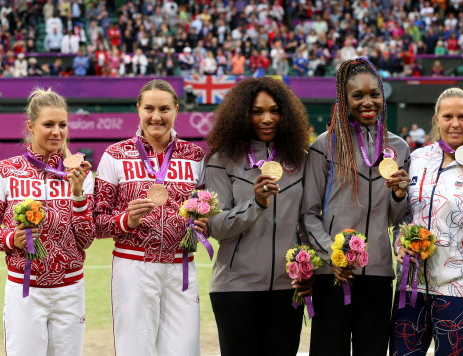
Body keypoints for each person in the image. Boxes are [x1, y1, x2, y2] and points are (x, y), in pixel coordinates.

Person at [301, 57, 410, 356]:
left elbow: (397, 218)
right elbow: (308, 214)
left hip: (377, 273)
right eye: (358, 95)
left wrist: (400, 195)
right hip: (334, 274)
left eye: (374, 93)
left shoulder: (398, 147)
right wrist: (330, 255)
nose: (368, 102)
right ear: (343, 98)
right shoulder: (324, 145)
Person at [94, 79, 206, 356]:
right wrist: (126, 221)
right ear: (138, 109)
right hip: (133, 267)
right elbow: (97, 222)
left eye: (164, 109)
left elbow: (207, 208)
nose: (156, 116)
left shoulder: (195, 156)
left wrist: (205, 224)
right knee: (135, 349)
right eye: (149, 108)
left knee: (185, 350)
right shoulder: (115, 155)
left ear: (177, 110)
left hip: (181, 266)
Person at [204, 77, 311, 356]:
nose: (267, 119)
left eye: (274, 111)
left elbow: (309, 220)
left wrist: (309, 268)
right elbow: (215, 226)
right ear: (242, 114)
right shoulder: (221, 160)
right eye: (257, 111)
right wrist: (256, 204)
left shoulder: (302, 160)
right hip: (235, 287)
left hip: (288, 288)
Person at [391, 88, 463, 356]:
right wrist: (399, 244)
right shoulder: (416, 159)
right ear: (436, 119)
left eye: (462, 116)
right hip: (411, 286)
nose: (455, 124)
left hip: (458, 290)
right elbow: (403, 215)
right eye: (448, 116)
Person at [0, 88, 94, 355]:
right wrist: (10, 238)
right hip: (25, 292)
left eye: (62, 125)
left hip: (70, 291)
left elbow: (87, 238)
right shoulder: (7, 171)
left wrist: (78, 194)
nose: (57, 132)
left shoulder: (80, 173)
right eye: (48, 124)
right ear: (31, 126)